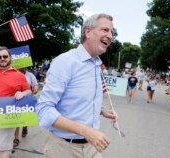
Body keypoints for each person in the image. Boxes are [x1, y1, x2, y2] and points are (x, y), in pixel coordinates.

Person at [36, 13, 117, 157]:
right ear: (88, 32)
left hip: (93, 148)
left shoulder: (97, 64)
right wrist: (85, 131)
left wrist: (101, 110)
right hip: (63, 148)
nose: (110, 35)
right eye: (105, 30)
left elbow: (77, 99)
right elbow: (44, 110)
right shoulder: (65, 61)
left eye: (112, 32)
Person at [13, 67, 38, 148]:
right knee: (17, 119)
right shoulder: (13, 74)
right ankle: (15, 138)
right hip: (16, 99)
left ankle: (25, 127)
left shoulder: (30, 75)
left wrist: (35, 90)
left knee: (25, 117)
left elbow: (35, 85)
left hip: (27, 98)